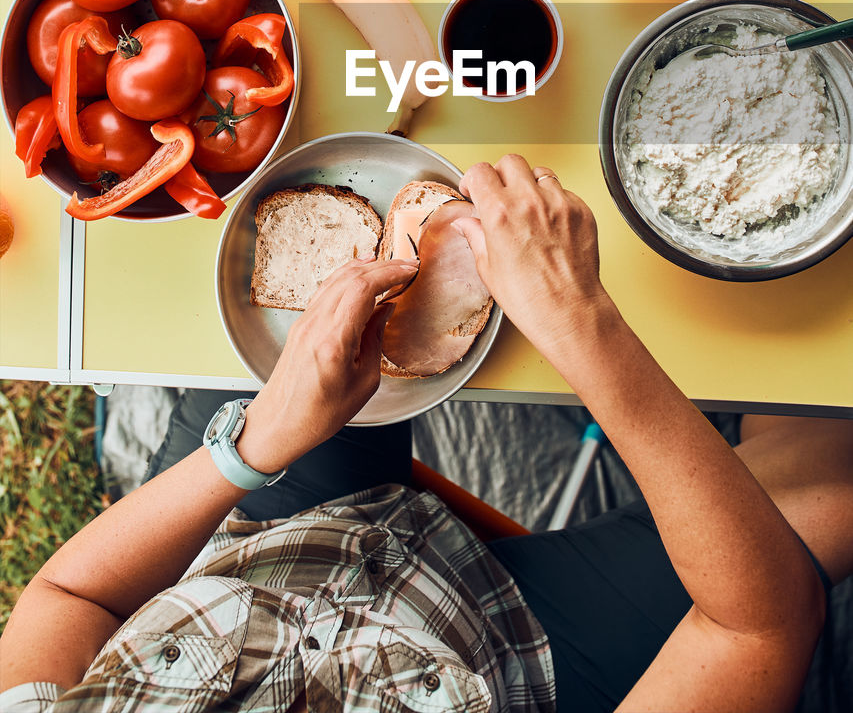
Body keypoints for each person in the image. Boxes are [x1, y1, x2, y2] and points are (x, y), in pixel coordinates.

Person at [1, 156, 851, 713]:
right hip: (521, 651)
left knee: (246, 249)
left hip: (268, 530)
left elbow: (72, 601)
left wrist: (256, 444)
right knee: (833, 479)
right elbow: (757, 626)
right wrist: (580, 324)